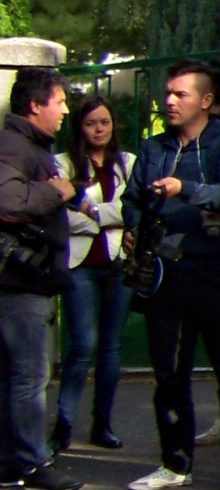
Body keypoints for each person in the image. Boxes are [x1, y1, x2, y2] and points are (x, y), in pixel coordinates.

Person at [125, 60, 220, 490]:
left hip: (217, 272)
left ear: (205, 100)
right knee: (168, 374)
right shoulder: (154, 148)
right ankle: (175, 463)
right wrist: (133, 224)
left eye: (180, 94)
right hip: (166, 274)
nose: (170, 101)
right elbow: (132, 199)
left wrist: (186, 189)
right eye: (168, 93)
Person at [0, 67, 81, 490]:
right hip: (22, 282)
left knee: (14, 376)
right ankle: (32, 462)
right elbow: (9, 201)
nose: (65, 110)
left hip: (25, 279)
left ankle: (10, 461)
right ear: (35, 105)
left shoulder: (27, 146)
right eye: (60, 102)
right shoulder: (14, 146)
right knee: (29, 377)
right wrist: (58, 192)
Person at [54, 91, 135, 454]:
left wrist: (92, 211)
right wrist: (106, 217)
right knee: (83, 345)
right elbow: (62, 217)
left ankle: (102, 424)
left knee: (111, 347)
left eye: (104, 122)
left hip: (119, 264)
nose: (99, 129)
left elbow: (131, 210)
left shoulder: (128, 163)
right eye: (91, 123)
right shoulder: (62, 165)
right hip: (81, 268)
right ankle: (63, 425)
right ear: (80, 127)